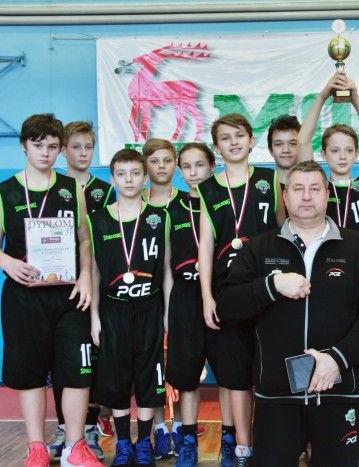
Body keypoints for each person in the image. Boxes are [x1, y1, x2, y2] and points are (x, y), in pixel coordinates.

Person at [216, 160, 359, 466]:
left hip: (337, 392)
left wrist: (337, 358)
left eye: (314, 189)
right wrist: (271, 286)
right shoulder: (259, 248)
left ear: (327, 194)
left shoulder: (356, 247)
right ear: (285, 196)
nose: (306, 196)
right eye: (298, 189)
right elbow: (227, 306)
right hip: (276, 397)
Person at [0, 113, 101, 467]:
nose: (45, 153)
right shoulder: (4, 192)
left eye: (52, 146)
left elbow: (84, 239)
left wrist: (84, 276)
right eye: (38, 145)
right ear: (24, 146)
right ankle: (36, 447)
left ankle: (75, 447)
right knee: (31, 373)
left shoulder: (71, 188)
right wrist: (8, 262)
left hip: (69, 295)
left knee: (77, 371)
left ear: (60, 149)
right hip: (24, 297)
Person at [198, 113, 286, 466]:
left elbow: (284, 230)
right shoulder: (208, 189)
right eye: (225, 137)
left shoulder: (269, 179)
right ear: (217, 147)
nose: (233, 142)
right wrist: (207, 297)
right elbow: (206, 246)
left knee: (268, 370)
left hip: (267, 288)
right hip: (228, 293)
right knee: (235, 373)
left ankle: (271, 442)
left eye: (239, 135)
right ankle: (243, 447)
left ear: (251, 141)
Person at [88, 148, 169, 467]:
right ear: (112, 179)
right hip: (113, 309)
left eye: (135, 173)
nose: (129, 179)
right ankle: (123, 443)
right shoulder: (97, 219)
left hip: (149, 307)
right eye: (121, 174)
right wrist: (94, 316)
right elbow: (93, 272)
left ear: (145, 177)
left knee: (149, 376)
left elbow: (167, 270)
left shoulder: (159, 217)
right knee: (116, 378)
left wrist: (167, 313)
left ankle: (144, 442)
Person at [48, 120, 115, 461]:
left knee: (92, 359)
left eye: (89, 147)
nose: (83, 153)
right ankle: (64, 428)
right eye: (76, 146)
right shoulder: (51, 188)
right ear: (63, 150)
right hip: (60, 285)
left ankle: (89, 429)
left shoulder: (105, 190)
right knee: (62, 361)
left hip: (97, 283)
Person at [164, 142, 216, 466]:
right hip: (184, 295)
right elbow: (167, 265)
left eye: (199, 165)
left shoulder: (224, 202)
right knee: (186, 376)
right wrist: (169, 312)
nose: (193, 172)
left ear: (212, 166)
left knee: (233, 375)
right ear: (180, 171)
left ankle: (233, 440)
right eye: (187, 166)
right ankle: (188, 442)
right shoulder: (172, 209)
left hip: (219, 295)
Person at [298, 71, 359, 242]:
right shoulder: (318, 185)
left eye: (349, 150)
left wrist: (355, 99)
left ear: (356, 154)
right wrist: (322, 97)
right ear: (323, 154)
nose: (343, 156)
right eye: (335, 150)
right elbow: (303, 141)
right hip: (326, 257)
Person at [140, 138, 185, 459]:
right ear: (145, 164)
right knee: (149, 365)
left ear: (175, 164)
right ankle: (158, 428)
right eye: (154, 161)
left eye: (167, 160)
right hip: (144, 296)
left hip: (181, 292)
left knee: (180, 363)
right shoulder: (134, 199)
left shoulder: (187, 201)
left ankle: (181, 427)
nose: (161, 166)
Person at [267, 114, 301, 187]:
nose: (286, 150)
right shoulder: (262, 187)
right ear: (270, 150)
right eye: (279, 144)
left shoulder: (313, 183)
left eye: (292, 143)